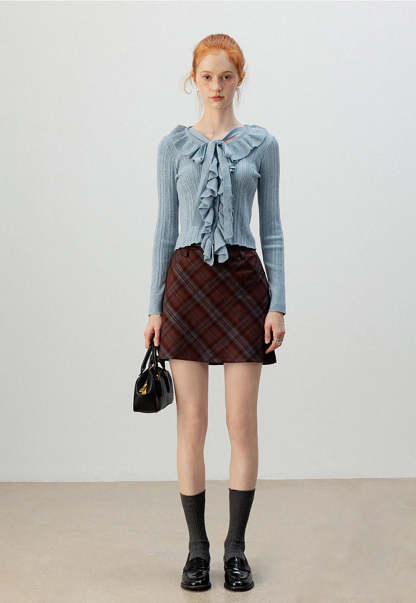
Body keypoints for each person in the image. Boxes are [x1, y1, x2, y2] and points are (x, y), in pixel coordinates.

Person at [144, 33, 286, 592]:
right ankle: (197, 550)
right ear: (194, 80)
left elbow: (272, 230)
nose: (217, 86)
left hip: (244, 286)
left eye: (227, 76)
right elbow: (163, 230)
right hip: (185, 286)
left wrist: (278, 303)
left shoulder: (262, 144)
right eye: (207, 77)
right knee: (192, 424)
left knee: (240, 424)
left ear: (239, 79)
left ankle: (236, 550)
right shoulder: (173, 146)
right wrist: (153, 307)